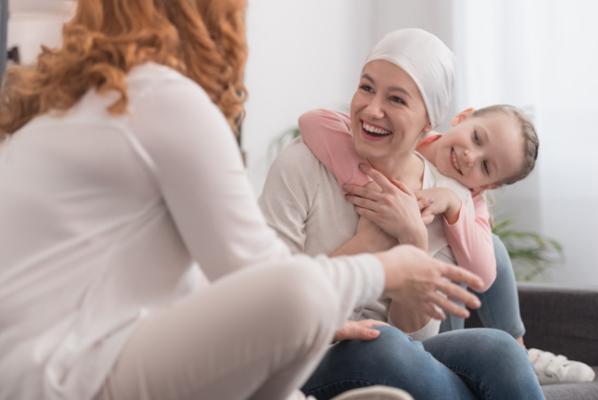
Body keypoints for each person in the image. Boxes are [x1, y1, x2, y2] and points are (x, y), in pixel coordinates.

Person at [0, 2, 490, 400]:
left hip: (36, 367)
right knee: (309, 310)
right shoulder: (163, 99)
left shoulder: (79, 102)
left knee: (489, 350)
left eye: (398, 98)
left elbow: (198, 285)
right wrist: (389, 268)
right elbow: (271, 286)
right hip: (62, 376)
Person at [260, 28, 545, 399]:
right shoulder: (302, 163)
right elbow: (267, 301)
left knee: (502, 351)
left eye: (396, 99)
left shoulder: (442, 197)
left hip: (398, 351)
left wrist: (413, 239)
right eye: (366, 88)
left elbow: (417, 336)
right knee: (384, 345)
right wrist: (367, 244)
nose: (372, 109)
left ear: (429, 122)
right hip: (304, 354)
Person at [298, 86, 594, 388]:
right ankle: (513, 354)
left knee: (490, 247)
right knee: (490, 247)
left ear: (486, 186)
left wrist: (453, 204)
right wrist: (371, 183)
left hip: (433, 320)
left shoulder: (467, 195)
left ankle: (517, 350)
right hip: (391, 320)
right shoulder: (402, 140)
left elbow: (483, 274)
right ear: (462, 117)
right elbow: (312, 120)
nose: (470, 156)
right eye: (476, 138)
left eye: (485, 166)